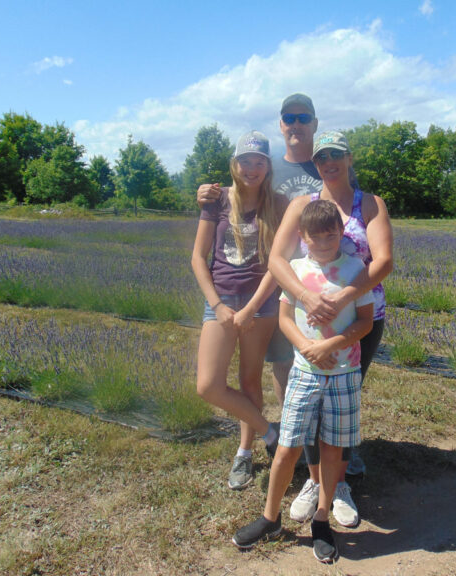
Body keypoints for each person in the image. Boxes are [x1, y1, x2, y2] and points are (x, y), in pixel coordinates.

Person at [232, 200, 374, 563]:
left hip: (343, 375)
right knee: (288, 447)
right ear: (303, 237)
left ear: (341, 234)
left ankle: (322, 520)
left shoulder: (357, 270)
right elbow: (284, 320)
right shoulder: (295, 269)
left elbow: (365, 322)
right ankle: (270, 518)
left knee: (332, 448)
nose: (325, 241)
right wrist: (308, 348)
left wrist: (332, 344)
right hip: (304, 373)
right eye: (316, 236)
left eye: (332, 234)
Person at [267, 130, 393, 527]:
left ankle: (337, 486)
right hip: (307, 320)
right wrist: (306, 298)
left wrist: (341, 298)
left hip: (360, 320)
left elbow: (384, 261)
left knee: (340, 401)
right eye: (322, 157)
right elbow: (277, 258)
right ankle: (313, 480)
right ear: (315, 163)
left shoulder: (370, 204)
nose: (329, 163)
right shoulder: (303, 204)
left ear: (349, 157)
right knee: (307, 406)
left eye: (336, 155)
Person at [191, 131, 288, 490]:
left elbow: (277, 263)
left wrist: (250, 309)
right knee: (208, 385)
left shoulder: (278, 204)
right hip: (219, 302)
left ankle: (244, 454)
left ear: (268, 166)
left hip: (259, 305)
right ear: (235, 165)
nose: (252, 168)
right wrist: (216, 305)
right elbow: (198, 258)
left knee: (250, 381)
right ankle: (270, 432)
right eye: (245, 161)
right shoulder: (215, 201)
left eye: (259, 162)